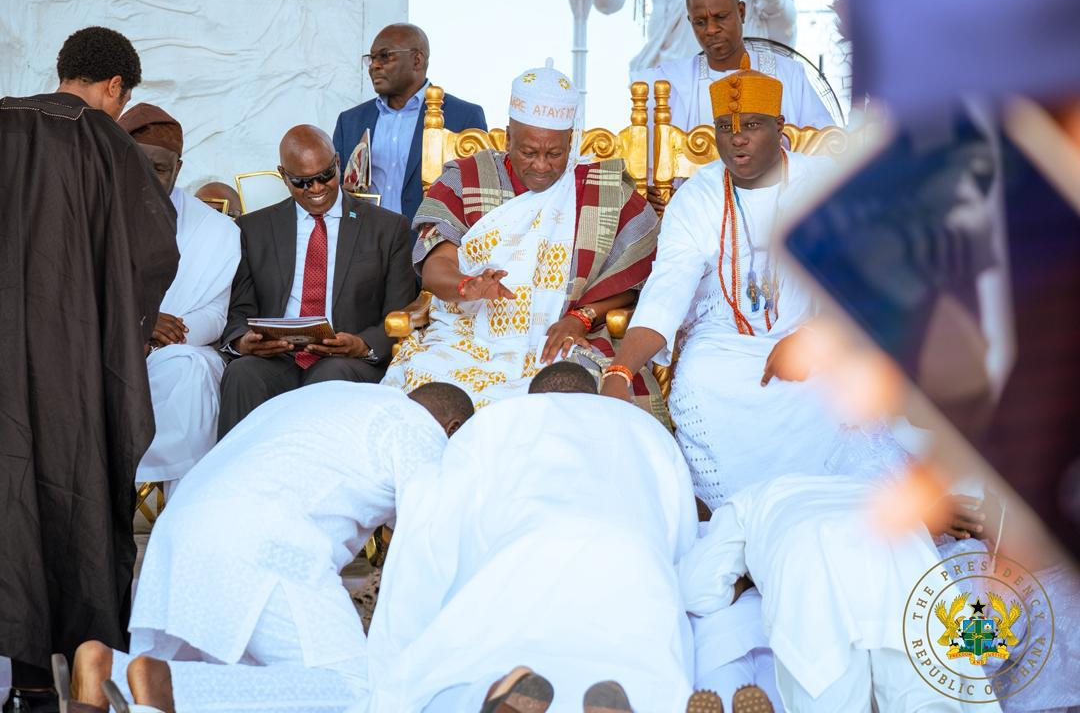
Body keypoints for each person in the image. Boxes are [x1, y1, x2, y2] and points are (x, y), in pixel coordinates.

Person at [601, 68, 840, 710]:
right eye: (726, 127)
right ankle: (740, 554)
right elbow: (667, 292)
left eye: (752, 126)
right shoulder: (700, 195)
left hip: (812, 337)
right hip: (724, 345)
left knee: (835, 399)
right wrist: (622, 369)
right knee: (704, 382)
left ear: (779, 130)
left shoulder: (821, 185)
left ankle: (801, 547)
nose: (737, 140)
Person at [68, 381, 474, 713]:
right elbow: (431, 537)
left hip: (180, 533)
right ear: (453, 429)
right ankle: (170, 686)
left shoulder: (337, 395)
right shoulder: (419, 429)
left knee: (266, 679)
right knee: (354, 688)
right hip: (270, 545)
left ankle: (113, 673)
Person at [0, 26, 179, 686]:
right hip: (70, 363)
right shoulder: (103, 139)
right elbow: (153, 249)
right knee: (72, 499)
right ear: (113, 87)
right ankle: (68, 675)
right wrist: (126, 325)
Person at [364, 367, 698, 711]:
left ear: (532, 398)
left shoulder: (495, 420)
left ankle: (494, 692)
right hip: (631, 564)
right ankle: (626, 696)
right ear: (594, 397)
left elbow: (440, 514)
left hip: (519, 554)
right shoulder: (645, 428)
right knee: (642, 660)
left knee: (467, 658)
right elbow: (680, 529)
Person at [381, 62, 666, 420]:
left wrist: (581, 317)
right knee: (429, 394)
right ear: (507, 139)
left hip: (562, 340)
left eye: (555, 153)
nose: (542, 166)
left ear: (571, 143)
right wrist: (466, 285)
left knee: (571, 395)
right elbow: (436, 265)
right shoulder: (466, 179)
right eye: (529, 152)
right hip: (465, 336)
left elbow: (634, 275)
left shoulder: (602, 190)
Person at [680, 473, 963, 712]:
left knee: (834, 696)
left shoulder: (746, 501)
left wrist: (746, 580)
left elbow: (696, 589)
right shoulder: (874, 485)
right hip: (900, 558)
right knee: (927, 702)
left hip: (815, 565)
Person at [217, 124, 416, 437]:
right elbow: (239, 309)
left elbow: (400, 312)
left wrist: (362, 345)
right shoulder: (253, 229)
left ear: (337, 162)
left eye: (325, 175)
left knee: (329, 377)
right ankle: (237, 468)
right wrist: (244, 341)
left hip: (347, 360)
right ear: (283, 176)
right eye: (302, 182)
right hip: (278, 357)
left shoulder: (387, 228)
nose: (316, 188)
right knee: (242, 374)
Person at [117, 104, 241, 492]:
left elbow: (216, 314)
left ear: (178, 169)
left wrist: (163, 338)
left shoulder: (214, 230)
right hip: (101, 348)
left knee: (193, 371)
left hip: (172, 354)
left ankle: (184, 500)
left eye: (160, 169)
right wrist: (140, 322)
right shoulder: (89, 214)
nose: (148, 178)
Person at [632, 0, 835, 212]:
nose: (711, 30)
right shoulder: (671, 81)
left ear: (741, 12)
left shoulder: (788, 74)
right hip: (700, 215)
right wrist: (645, 190)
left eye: (720, 17)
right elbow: (647, 168)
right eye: (700, 22)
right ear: (690, 22)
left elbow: (828, 149)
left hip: (780, 214)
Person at [332, 24, 487, 227]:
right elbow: (335, 191)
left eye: (385, 56)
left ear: (417, 60)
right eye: (371, 58)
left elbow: (477, 196)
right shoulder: (350, 121)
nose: (374, 66)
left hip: (431, 241)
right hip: (365, 240)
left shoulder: (463, 116)